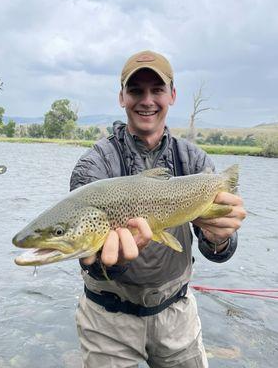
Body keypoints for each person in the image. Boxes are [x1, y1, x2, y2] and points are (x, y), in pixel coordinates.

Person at [70, 50, 246, 368]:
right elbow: (88, 261)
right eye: (136, 90)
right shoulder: (94, 165)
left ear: (172, 96)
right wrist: (114, 263)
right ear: (121, 97)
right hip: (107, 322)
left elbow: (219, 252)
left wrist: (220, 237)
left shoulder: (197, 164)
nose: (147, 100)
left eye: (157, 90)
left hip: (177, 315)